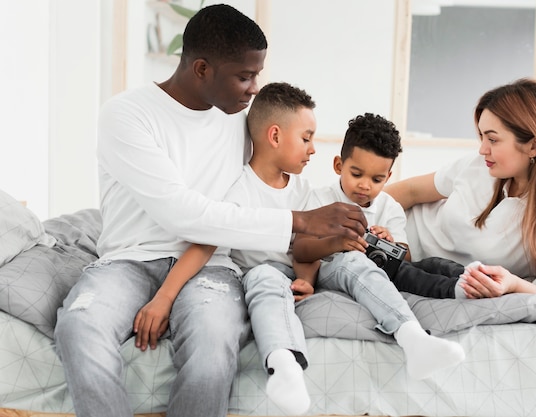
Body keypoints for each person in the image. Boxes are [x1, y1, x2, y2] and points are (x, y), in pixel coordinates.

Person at [53, 6, 366, 417]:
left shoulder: (240, 121)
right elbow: (182, 214)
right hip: (130, 259)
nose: (255, 88)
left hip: (211, 265)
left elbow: (283, 166)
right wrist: (300, 221)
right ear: (201, 68)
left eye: (257, 74)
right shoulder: (127, 115)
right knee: (79, 326)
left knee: (212, 347)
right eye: (244, 76)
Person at [134, 81, 318, 415]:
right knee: (264, 276)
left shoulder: (305, 191)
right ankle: (283, 362)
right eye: (306, 138)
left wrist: (307, 278)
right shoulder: (238, 189)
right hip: (258, 277)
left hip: (288, 277)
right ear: (275, 136)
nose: (313, 149)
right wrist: (164, 296)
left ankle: (287, 362)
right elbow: (204, 244)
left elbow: (308, 247)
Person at [385, 78, 536, 299]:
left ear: (535, 146)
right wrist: (371, 216)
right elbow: (409, 192)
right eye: (481, 136)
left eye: (492, 139)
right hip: (392, 235)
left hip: (421, 272)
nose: (482, 149)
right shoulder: (479, 167)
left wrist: (515, 285)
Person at [292, 113, 466, 381]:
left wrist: (389, 241)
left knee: (432, 265)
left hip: (384, 271)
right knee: (354, 261)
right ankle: (413, 337)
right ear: (339, 165)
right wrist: (338, 243)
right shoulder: (319, 198)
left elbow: (405, 256)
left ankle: (477, 278)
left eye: (376, 179)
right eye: (357, 174)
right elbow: (301, 250)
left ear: (388, 176)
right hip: (333, 267)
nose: (365, 185)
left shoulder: (389, 207)